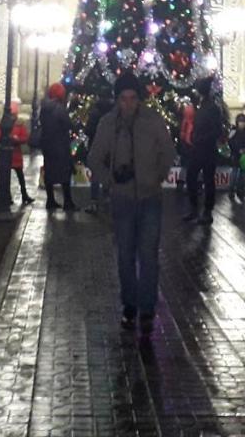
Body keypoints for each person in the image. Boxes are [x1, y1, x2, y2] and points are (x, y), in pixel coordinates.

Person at [87, 71, 176, 334]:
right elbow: (94, 158)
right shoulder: (108, 124)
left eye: (132, 98)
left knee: (148, 255)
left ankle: (147, 308)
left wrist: (157, 177)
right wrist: (110, 181)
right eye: (123, 98)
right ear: (117, 99)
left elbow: (168, 152)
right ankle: (129, 305)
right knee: (125, 255)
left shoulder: (152, 121)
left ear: (139, 99)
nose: (128, 103)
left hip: (150, 198)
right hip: (123, 199)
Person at [184, 76, 224, 224]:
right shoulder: (202, 106)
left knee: (208, 180)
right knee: (192, 177)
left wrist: (200, 138)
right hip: (198, 149)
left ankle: (206, 211)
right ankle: (195, 209)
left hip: (206, 150)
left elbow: (217, 130)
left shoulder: (212, 108)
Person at [39, 83, 78, 211]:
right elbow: (68, 124)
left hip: (47, 144)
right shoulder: (60, 109)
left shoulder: (44, 108)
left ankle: (50, 200)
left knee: (49, 172)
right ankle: (68, 202)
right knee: (64, 172)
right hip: (60, 145)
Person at [0, 101, 32, 217]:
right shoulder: (3, 124)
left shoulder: (19, 125)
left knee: (20, 177)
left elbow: (24, 138)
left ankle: (24, 195)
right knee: (6, 176)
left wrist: (15, 139)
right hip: (7, 156)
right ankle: (7, 197)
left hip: (15, 155)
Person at [84, 92, 112, 213]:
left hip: (96, 146)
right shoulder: (112, 112)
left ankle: (94, 201)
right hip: (109, 147)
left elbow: (88, 130)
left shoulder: (95, 113)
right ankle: (107, 197)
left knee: (95, 174)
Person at [228, 113, 245, 202]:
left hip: (244, 158)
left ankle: (241, 191)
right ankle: (231, 190)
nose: (242, 124)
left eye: (243, 122)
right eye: (240, 122)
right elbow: (231, 143)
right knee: (234, 174)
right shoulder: (233, 132)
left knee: (242, 176)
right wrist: (238, 150)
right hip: (236, 157)